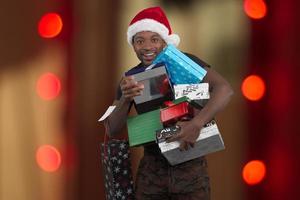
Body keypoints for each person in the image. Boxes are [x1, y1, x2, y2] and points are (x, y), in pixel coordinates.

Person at [105, 6, 233, 200]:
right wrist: (126, 97)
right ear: (133, 45)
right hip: (151, 173)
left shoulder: (186, 62)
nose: (147, 47)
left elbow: (224, 89)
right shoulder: (129, 79)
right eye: (140, 41)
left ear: (165, 42)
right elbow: (112, 129)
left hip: (191, 171)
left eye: (154, 39)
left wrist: (196, 123)